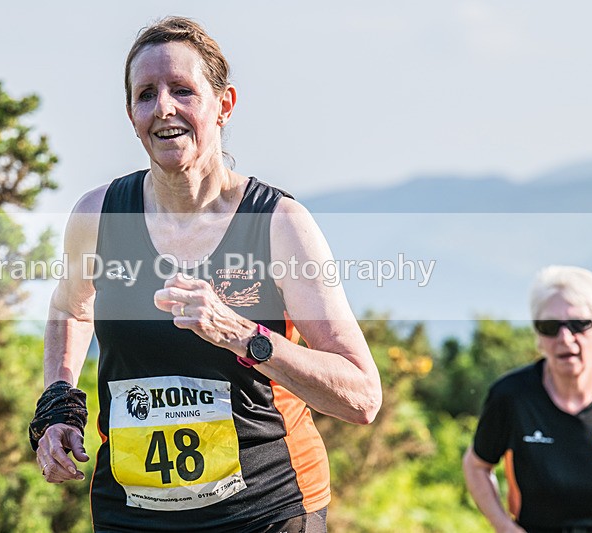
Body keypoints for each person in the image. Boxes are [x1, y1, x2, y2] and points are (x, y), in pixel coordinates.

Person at [29, 16, 382, 532]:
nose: (164, 108)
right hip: (130, 514)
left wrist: (241, 333)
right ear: (131, 114)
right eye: (146, 94)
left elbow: (361, 396)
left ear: (224, 105)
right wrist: (59, 402)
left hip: (266, 510)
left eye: (183, 91)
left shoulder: (277, 225)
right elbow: (69, 307)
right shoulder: (100, 216)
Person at [463, 265, 592, 533]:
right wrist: (503, 526)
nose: (565, 337)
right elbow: (476, 465)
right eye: (550, 326)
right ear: (538, 336)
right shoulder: (512, 396)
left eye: (579, 324)